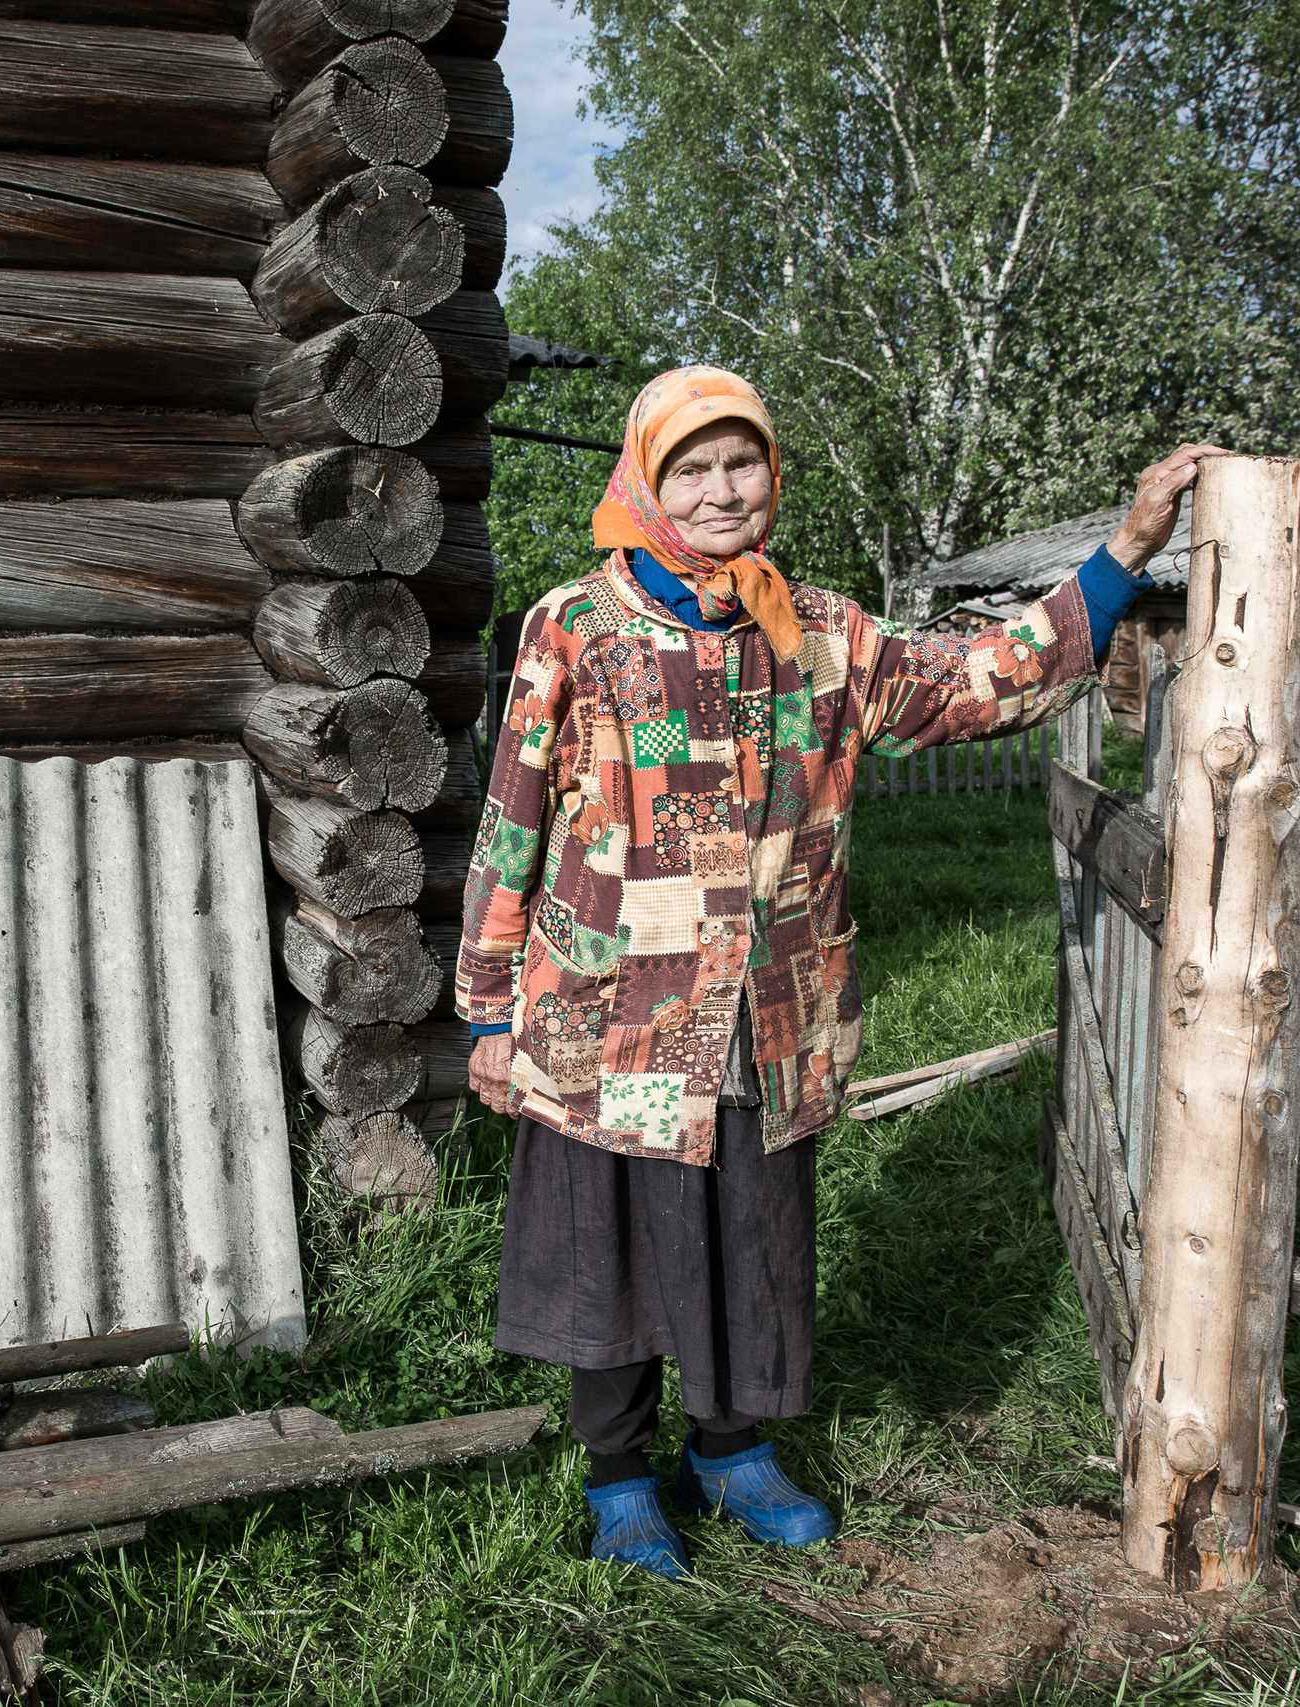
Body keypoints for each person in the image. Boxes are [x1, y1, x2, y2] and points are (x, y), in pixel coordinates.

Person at [456, 364, 1220, 1578]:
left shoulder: (819, 631)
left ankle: (730, 1451)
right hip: (612, 1013)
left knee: (751, 1233)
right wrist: (488, 1009)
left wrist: (1125, 549)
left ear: (771, 474)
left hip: (769, 1006)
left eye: (741, 464)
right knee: (618, 1247)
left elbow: (979, 681)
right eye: (690, 470)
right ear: (645, 481)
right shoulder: (578, 627)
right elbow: (511, 821)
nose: (721, 492)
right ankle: (618, 1478)